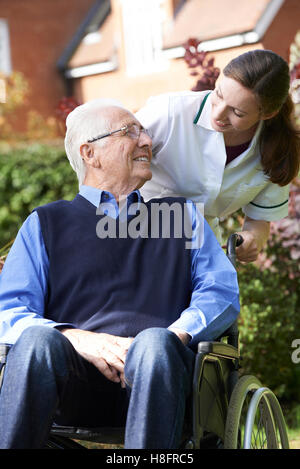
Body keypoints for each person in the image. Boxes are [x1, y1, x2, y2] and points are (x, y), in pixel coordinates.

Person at [0, 99, 239, 449]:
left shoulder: (179, 215)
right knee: (37, 341)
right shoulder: (46, 224)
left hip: (164, 377)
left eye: (144, 132)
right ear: (90, 153)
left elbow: (220, 292)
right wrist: (81, 339)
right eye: (131, 132)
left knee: (154, 344)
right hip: (74, 384)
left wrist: (173, 337)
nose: (147, 141)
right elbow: (9, 311)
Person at [136, 49, 300, 263]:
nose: (218, 114)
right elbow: (104, 164)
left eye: (238, 113)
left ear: (267, 114)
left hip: (202, 254)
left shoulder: (277, 149)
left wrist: (252, 238)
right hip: (134, 236)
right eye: (219, 94)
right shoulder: (169, 112)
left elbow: (259, 220)